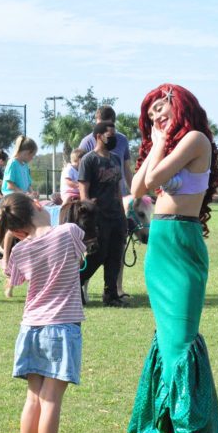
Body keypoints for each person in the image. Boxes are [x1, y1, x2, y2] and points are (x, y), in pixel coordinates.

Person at [127, 83, 218, 433]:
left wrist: (160, 143)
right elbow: (138, 189)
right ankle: (162, 423)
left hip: (183, 243)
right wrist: (156, 144)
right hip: (160, 244)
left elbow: (152, 181)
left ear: (180, 107)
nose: (157, 118)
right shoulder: (163, 145)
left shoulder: (196, 139)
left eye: (162, 110)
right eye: (151, 114)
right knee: (167, 337)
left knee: (182, 336)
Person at [0, 192, 86, 433]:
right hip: (62, 326)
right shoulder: (69, 232)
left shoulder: (20, 250)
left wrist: (15, 241)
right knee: (51, 400)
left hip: (30, 327)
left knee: (33, 399)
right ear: (39, 205)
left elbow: (14, 277)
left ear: (16, 229)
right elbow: (82, 257)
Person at [78, 121, 128, 308]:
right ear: (99, 136)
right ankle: (77, 282)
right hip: (98, 217)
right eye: (110, 135)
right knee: (98, 255)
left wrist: (122, 215)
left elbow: (117, 188)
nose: (114, 138)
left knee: (115, 255)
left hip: (116, 215)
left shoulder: (115, 159)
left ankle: (111, 295)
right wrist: (88, 217)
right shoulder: (89, 160)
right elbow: (83, 190)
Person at [0, 136, 39, 276]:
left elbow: (28, 184)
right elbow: (10, 184)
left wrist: (32, 192)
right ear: (26, 152)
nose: (32, 158)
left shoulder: (24, 165)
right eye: (32, 155)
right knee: (13, 229)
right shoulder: (12, 163)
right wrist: (24, 194)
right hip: (11, 199)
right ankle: (4, 259)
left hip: (23, 198)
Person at [79, 105, 134, 197]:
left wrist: (135, 194)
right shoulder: (86, 143)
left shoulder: (122, 140)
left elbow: (127, 169)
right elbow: (80, 176)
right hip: (96, 203)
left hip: (118, 200)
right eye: (99, 125)